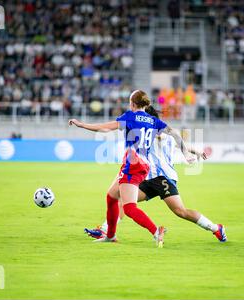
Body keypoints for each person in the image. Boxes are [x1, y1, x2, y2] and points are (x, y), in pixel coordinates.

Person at [68, 90, 194, 247]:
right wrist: (186, 153)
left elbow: (106, 128)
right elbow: (174, 133)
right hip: (142, 164)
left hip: (132, 164)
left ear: (133, 104)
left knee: (128, 207)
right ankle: (110, 235)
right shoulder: (153, 121)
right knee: (111, 196)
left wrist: (82, 125)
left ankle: (156, 232)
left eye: (129, 102)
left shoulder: (130, 116)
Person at [84, 106, 227, 243]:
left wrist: (193, 152)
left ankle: (215, 228)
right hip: (148, 178)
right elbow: (180, 143)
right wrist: (195, 151)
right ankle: (105, 230)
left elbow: (176, 140)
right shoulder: (149, 130)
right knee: (123, 201)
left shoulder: (157, 133)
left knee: (180, 211)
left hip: (163, 178)